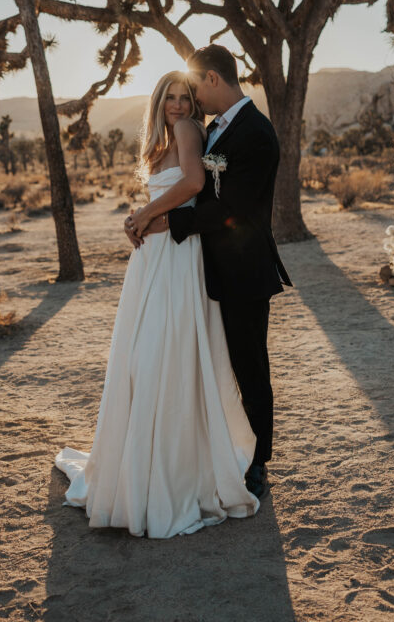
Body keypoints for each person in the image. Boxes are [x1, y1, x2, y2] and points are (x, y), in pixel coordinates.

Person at [54, 70, 260, 539]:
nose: (179, 105)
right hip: (154, 260)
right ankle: (143, 466)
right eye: (170, 97)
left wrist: (144, 215)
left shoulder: (189, 131)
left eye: (186, 96)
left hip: (177, 258)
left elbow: (190, 183)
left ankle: (166, 473)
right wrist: (141, 218)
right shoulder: (161, 139)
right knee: (145, 355)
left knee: (158, 353)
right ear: (158, 101)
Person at [129, 45, 292, 500]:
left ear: (213, 80)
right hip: (203, 267)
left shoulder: (256, 133)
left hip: (242, 270)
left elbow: (230, 209)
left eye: (196, 87)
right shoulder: (216, 129)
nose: (193, 99)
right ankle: (213, 453)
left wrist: (160, 222)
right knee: (211, 365)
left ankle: (258, 463)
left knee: (249, 367)